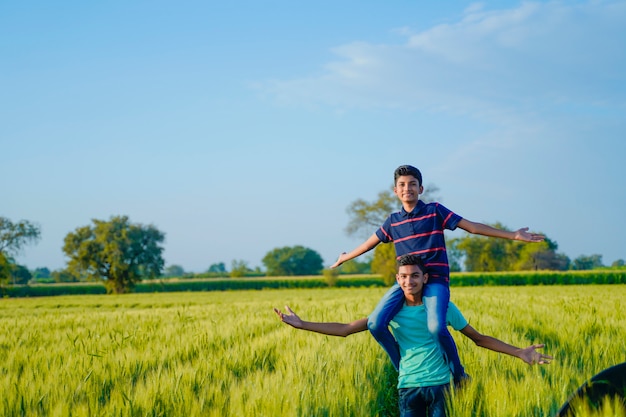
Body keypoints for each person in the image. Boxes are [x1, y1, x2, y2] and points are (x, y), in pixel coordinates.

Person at [330, 164, 545, 384]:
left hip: (435, 283)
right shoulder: (393, 221)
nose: (407, 189)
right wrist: (345, 258)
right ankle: (402, 367)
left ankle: (458, 374)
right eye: (402, 185)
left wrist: (513, 235)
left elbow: (471, 227)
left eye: (412, 184)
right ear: (395, 191)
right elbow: (368, 245)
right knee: (375, 323)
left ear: (420, 188)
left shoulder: (435, 211)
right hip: (407, 282)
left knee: (435, 327)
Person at [275, 254, 552, 417]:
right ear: (398, 280)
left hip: (442, 387)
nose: (410, 281)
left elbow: (478, 338)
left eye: (415, 276)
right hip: (408, 387)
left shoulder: (443, 308)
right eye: (404, 277)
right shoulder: (391, 312)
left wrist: (519, 352)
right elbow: (347, 329)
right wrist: (303, 324)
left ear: (425, 278)